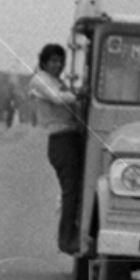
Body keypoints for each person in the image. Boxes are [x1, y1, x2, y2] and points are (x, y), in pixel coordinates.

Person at [27, 44, 85, 255]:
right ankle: (66, 240)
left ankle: (75, 233)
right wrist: (80, 95)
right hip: (61, 140)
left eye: (60, 61)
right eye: (53, 61)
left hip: (71, 138)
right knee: (70, 192)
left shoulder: (57, 81)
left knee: (77, 191)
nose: (58, 65)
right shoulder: (40, 80)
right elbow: (58, 98)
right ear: (44, 62)